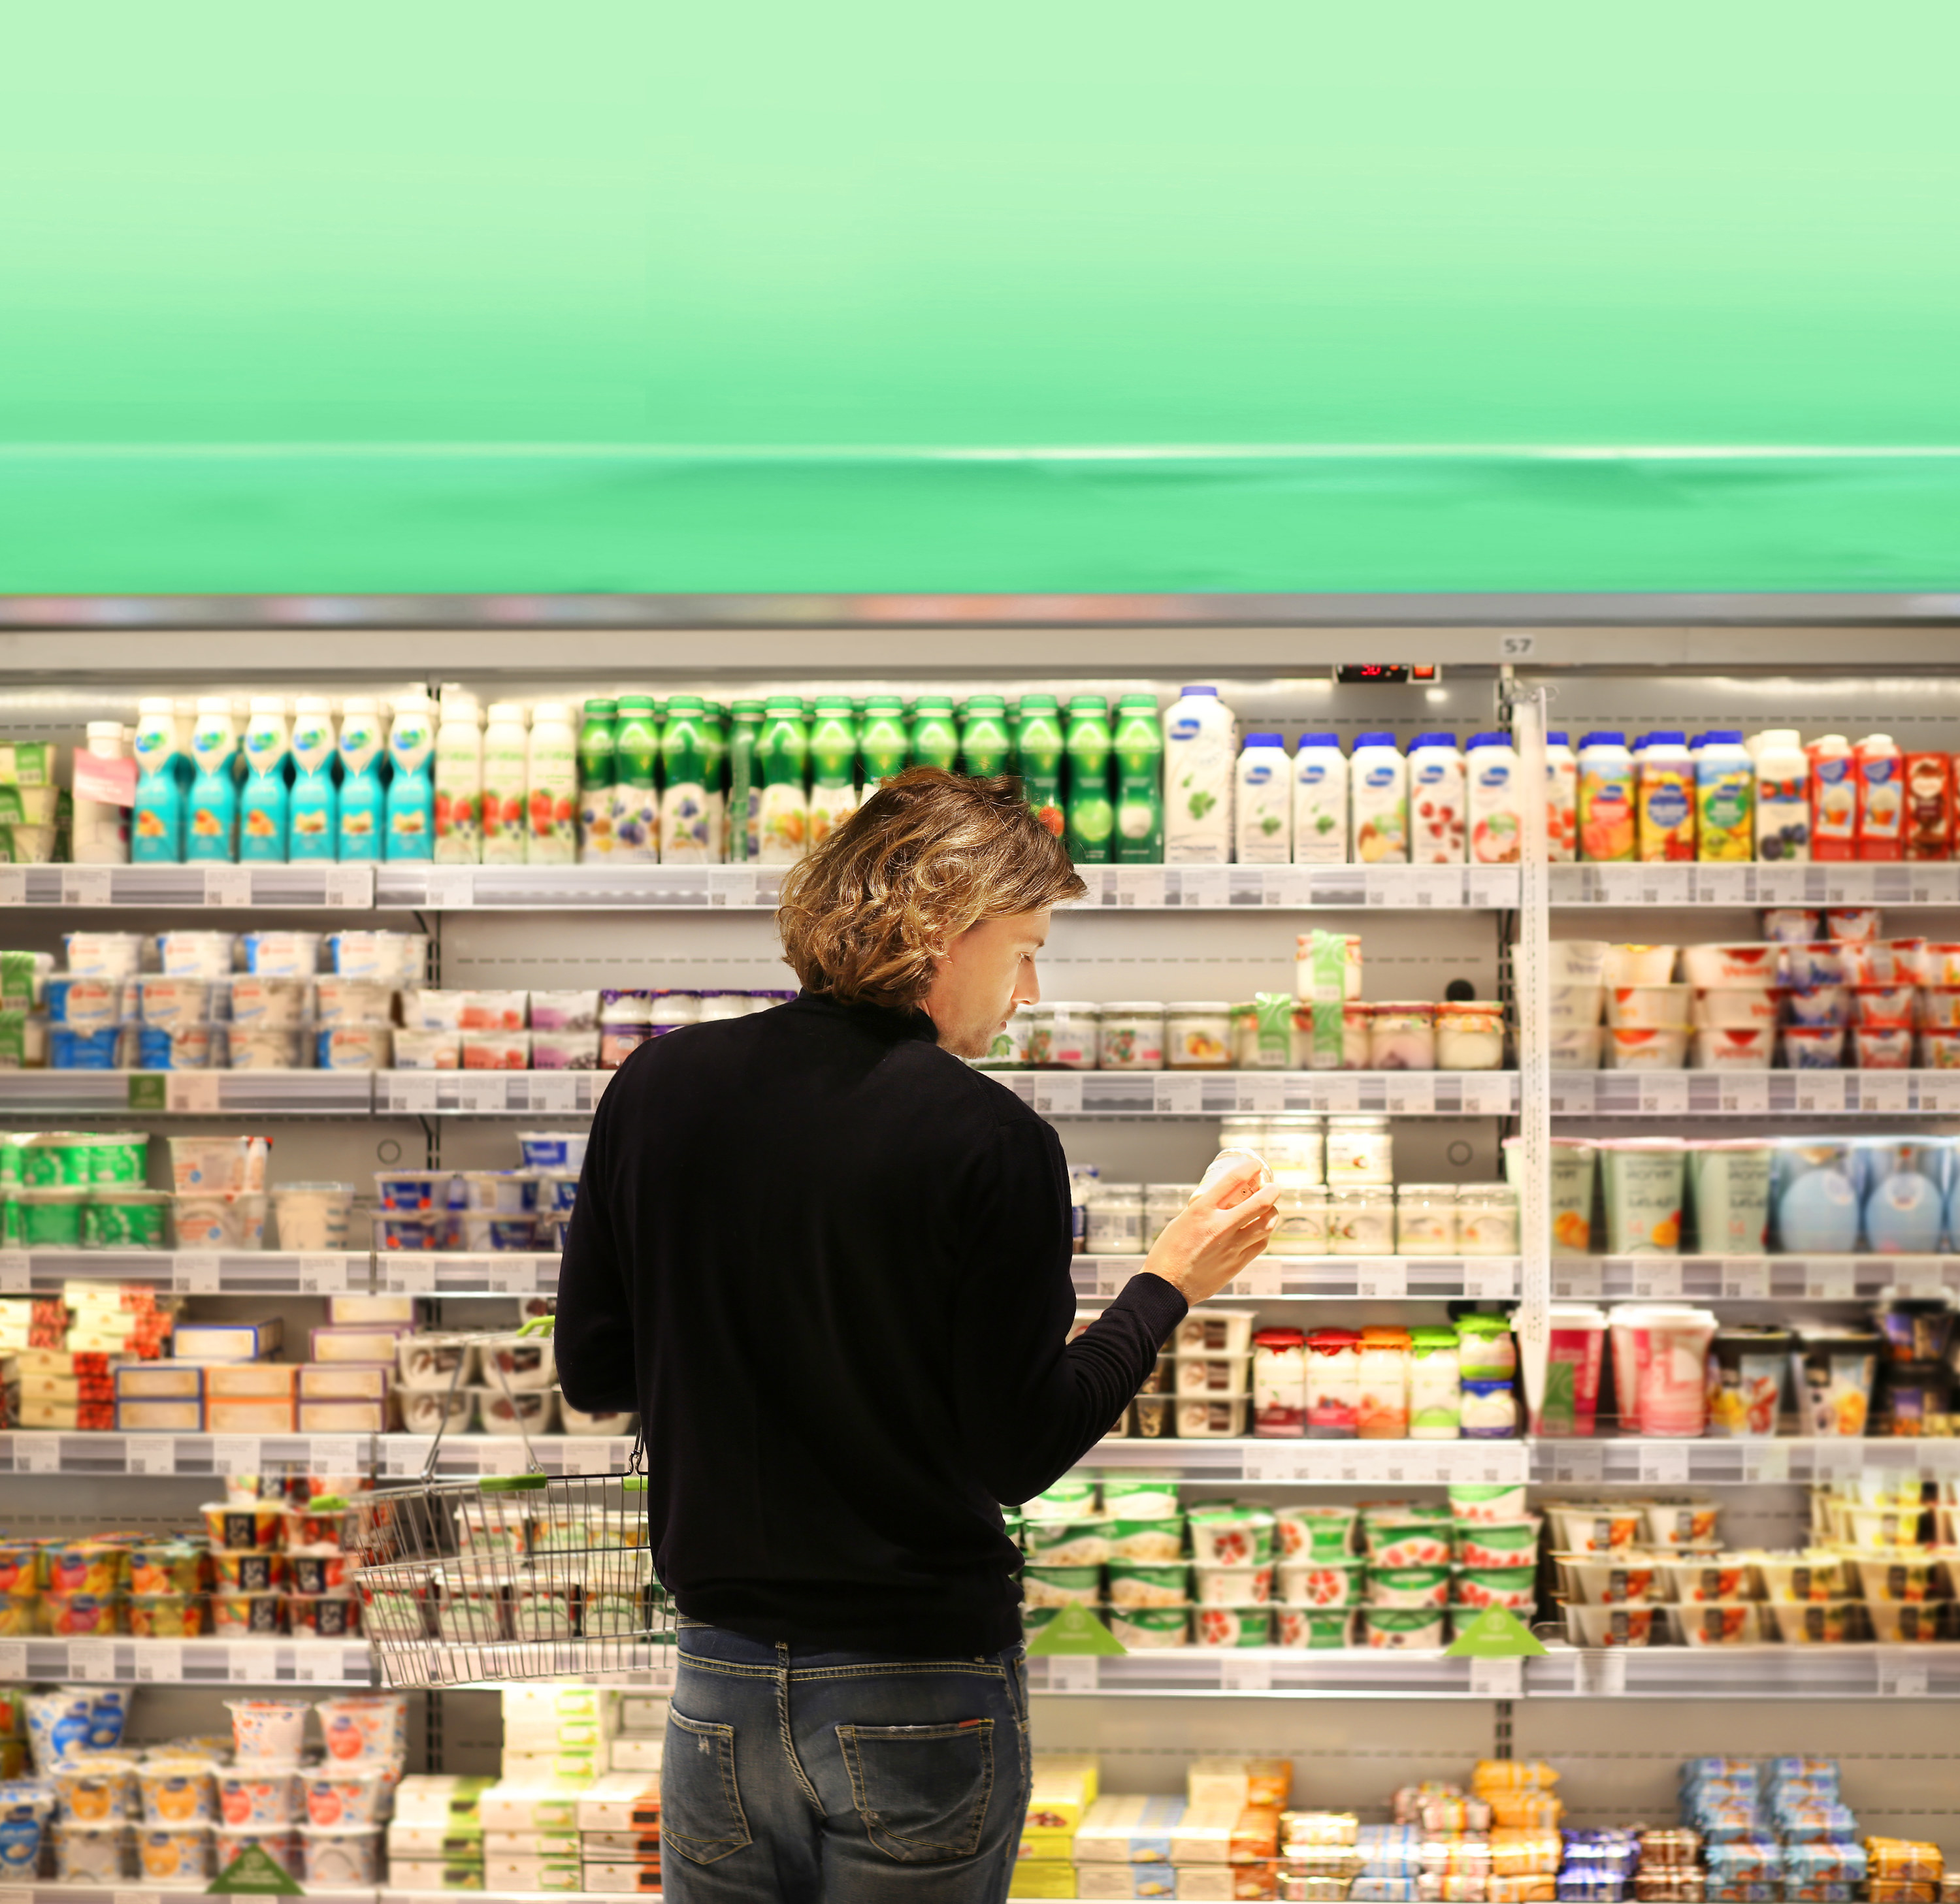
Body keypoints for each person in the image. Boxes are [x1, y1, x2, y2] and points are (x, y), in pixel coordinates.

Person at [557, 767, 1280, 1904]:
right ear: (943, 928)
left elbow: (596, 1369)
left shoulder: (657, 1084)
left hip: (718, 1685)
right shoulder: (989, 1140)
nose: (1031, 987)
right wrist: (1166, 1285)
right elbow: (1015, 1451)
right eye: (1027, 945)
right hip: (917, 1693)